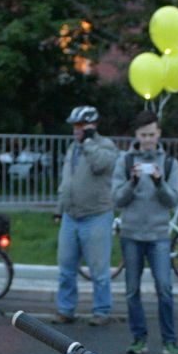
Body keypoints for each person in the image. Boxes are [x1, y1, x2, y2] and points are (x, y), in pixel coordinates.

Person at [114, 111, 178, 354]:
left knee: (164, 288)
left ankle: (170, 341)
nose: (147, 140)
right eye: (143, 135)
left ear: (159, 134)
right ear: (136, 135)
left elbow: (173, 200)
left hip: (158, 235)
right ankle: (138, 339)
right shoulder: (125, 161)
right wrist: (132, 181)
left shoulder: (169, 163)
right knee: (132, 290)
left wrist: (158, 181)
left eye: (151, 135)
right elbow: (117, 199)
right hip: (131, 234)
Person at [49, 104, 119, 325]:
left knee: (99, 270)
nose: (75, 130)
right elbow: (66, 181)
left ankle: (101, 311)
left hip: (96, 215)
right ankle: (66, 310)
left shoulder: (105, 146)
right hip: (71, 216)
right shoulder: (73, 148)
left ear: (92, 125)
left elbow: (100, 165)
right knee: (66, 268)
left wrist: (88, 142)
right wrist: (59, 209)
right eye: (74, 125)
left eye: (80, 125)